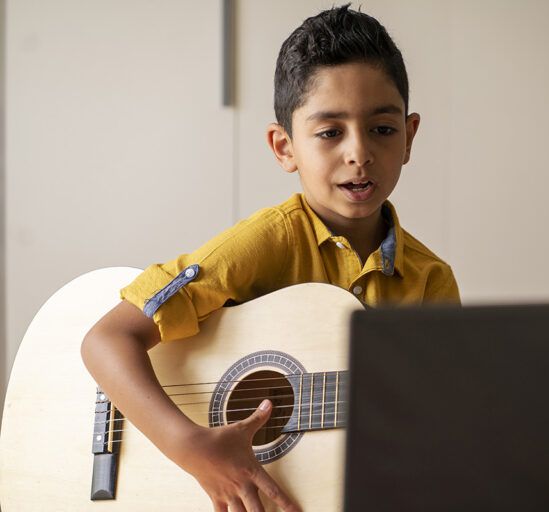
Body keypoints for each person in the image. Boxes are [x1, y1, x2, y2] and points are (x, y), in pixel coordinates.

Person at [81, 4, 459, 511]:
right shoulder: (266, 243)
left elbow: (438, 438)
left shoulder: (429, 282)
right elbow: (107, 340)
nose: (359, 153)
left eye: (382, 129)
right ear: (284, 147)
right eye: (330, 132)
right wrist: (190, 447)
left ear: (409, 137)